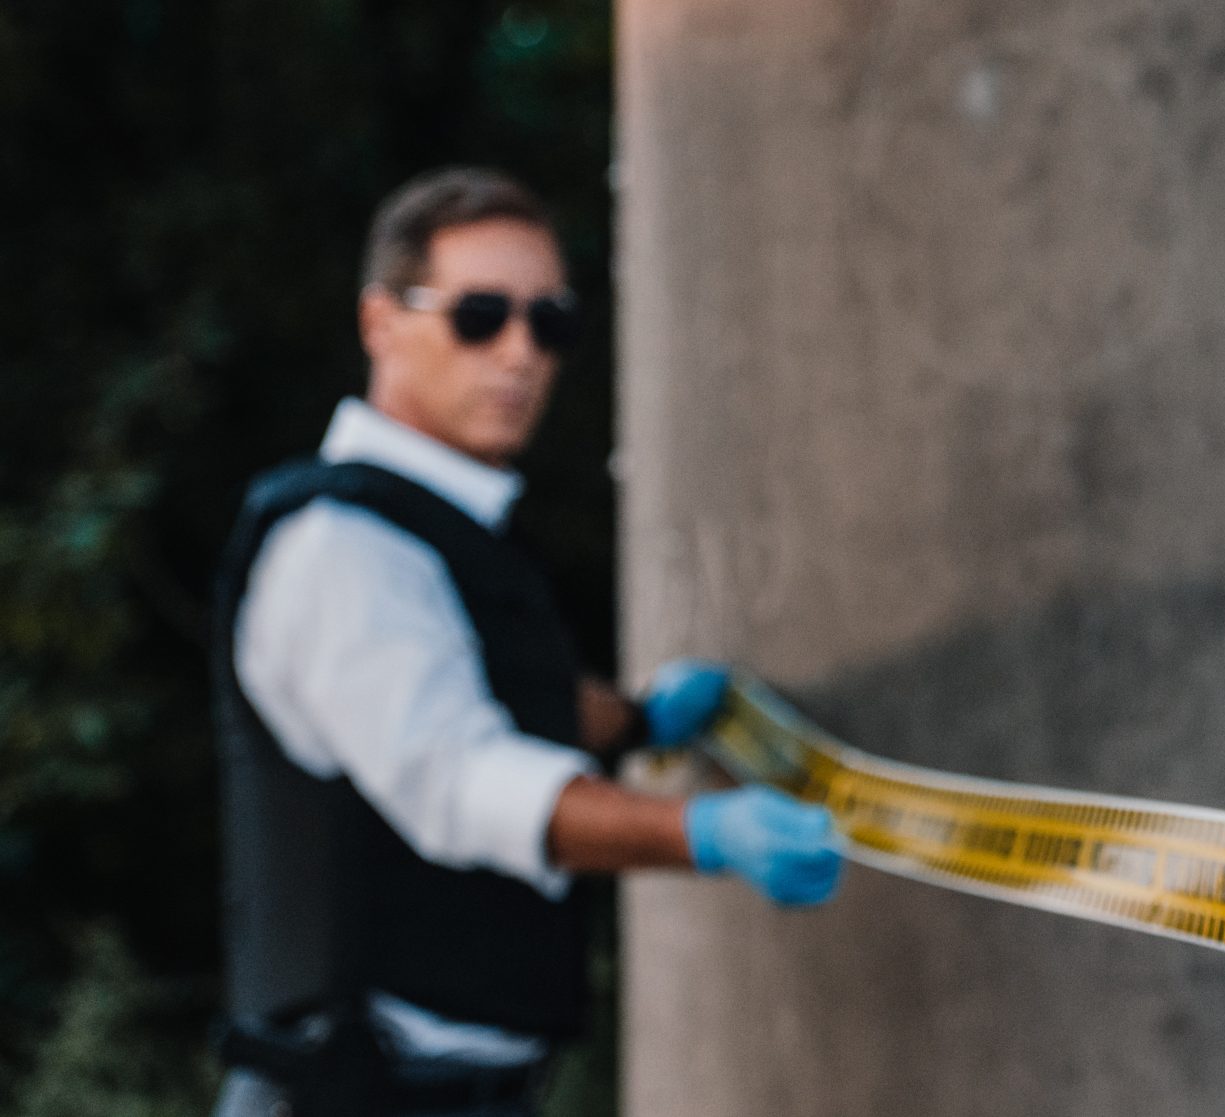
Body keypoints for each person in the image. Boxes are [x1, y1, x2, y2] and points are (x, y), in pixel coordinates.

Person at [211, 167, 843, 1117]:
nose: (520, 353)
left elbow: (501, 692)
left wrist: (634, 720)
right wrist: (703, 833)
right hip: (359, 1094)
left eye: (551, 322)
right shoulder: (340, 547)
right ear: (381, 323)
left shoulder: (453, 525)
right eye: (479, 316)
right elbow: (457, 781)